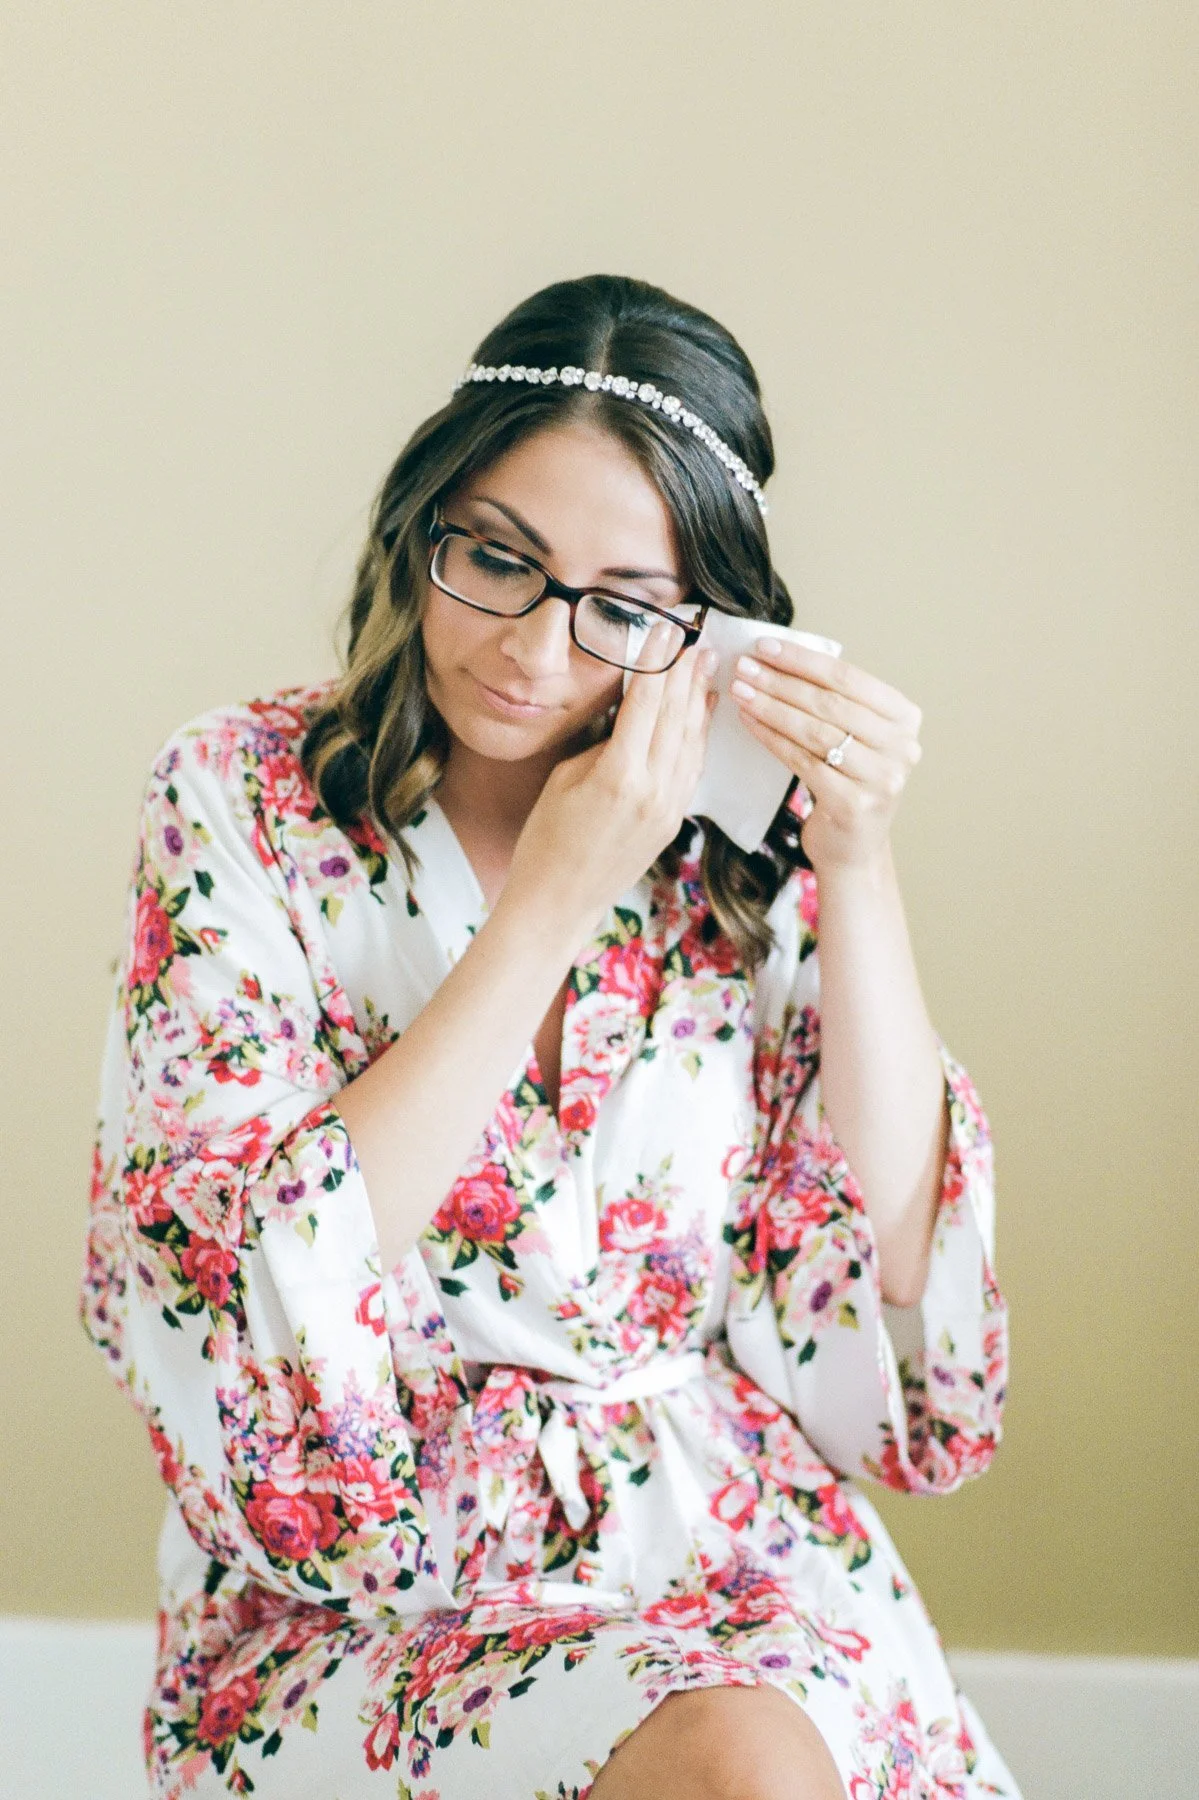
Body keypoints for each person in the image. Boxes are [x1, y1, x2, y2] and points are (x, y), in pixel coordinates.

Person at [81, 273, 1018, 1800]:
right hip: (373, 1577)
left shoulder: (732, 844)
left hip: (732, 1553)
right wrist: (555, 901)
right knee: (737, 1761)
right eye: (495, 560)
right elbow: (250, 1267)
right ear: (421, 524)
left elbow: (894, 1260)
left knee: (769, 1739)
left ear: (703, 627)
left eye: (622, 607)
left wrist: (854, 864)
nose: (528, 644)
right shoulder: (237, 797)